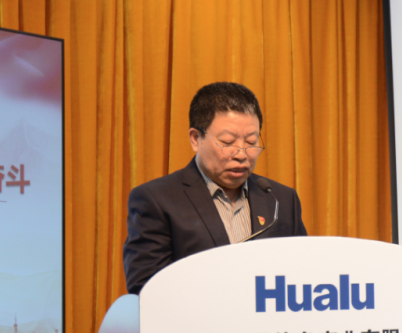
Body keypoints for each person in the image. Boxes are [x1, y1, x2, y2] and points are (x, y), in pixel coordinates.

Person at [123, 82, 308, 295]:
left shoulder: (280, 199)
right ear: (196, 139)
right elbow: (147, 288)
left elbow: (302, 275)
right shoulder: (157, 200)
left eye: (251, 142)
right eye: (227, 142)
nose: (241, 154)